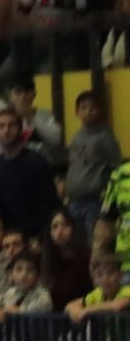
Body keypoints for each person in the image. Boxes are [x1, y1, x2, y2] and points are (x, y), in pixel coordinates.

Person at [0, 107, 59, 238]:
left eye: (11, 125)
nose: (6, 131)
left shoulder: (37, 162)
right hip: (9, 238)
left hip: (36, 235)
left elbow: (49, 203)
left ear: (20, 129)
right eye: (1, 126)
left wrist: (41, 237)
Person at [66, 90, 122, 240]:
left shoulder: (105, 136)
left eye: (93, 108)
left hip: (94, 200)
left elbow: (117, 167)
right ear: (77, 112)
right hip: (74, 199)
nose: (88, 112)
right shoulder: (76, 136)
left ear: (99, 111)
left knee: (94, 243)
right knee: (75, 243)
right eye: (84, 108)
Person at [7, 82, 65, 166]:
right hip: (13, 165)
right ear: (10, 97)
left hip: (41, 164)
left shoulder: (45, 114)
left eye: (27, 92)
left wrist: (31, 117)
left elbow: (56, 140)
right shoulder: (4, 117)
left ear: (34, 95)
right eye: (18, 92)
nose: (23, 97)